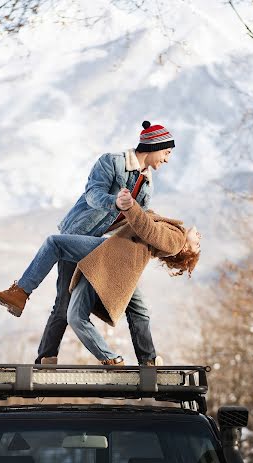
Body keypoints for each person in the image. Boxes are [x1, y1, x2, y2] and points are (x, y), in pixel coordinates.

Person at [0, 200, 201, 365]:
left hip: (111, 255)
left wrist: (130, 205)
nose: (199, 237)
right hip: (115, 261)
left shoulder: (176, 240)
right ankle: (119, 360)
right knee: (76, 316)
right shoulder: (174, 233)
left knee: (55, 244)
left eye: (198, 245)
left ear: (186, 251)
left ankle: (20, 293)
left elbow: (148, 229)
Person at [33, 120, 176, 366]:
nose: (167, 159)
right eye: (166, 152)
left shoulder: (147, 185)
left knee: (135, 301)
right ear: (153, 147)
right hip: (76, 237)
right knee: (64, 304)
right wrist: (116, 202)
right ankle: (47, 356)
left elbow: (137, 221)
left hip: (106, 249)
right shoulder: (112, 161)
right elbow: (93, 195)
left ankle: (148, 360)